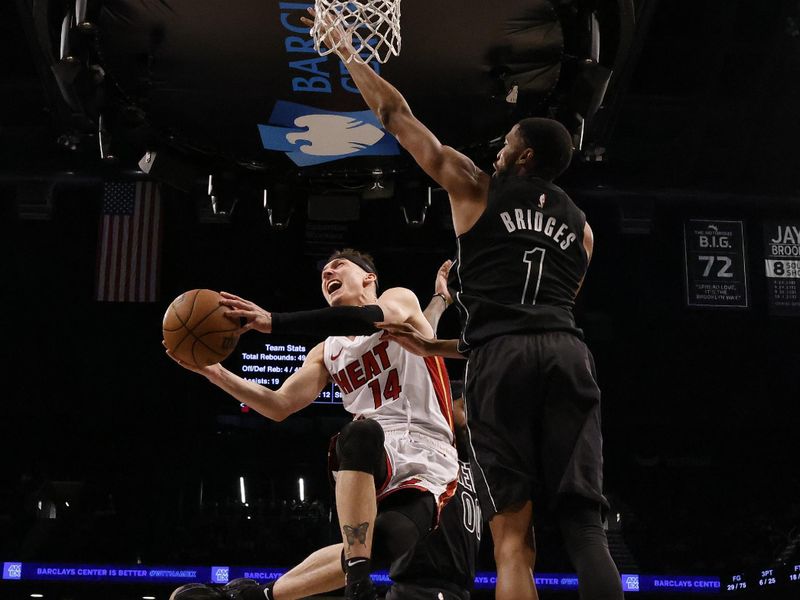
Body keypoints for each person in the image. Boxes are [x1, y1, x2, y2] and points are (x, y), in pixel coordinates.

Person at [304, 9, 624, 600]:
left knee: (511, 534)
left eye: (507, 146)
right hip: (567, 353)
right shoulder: (583, 233)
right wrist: (435, 343)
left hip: (499, 361)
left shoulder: (475, 186)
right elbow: (544, 315)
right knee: (585, 525)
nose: (499, 152)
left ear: (525, 157)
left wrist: (347, 50)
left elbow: (397, 118)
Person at [166, 249, 459, 600]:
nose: (327, 273)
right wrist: (213, 372)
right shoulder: (327, 351)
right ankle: (358, 587)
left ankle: (258, 595)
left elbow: (368, 319)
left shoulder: (399, 299)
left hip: (428, 447)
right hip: (369, 453)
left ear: (369, 278)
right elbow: (279, 405)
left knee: (389, 538)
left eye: (339, 266)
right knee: (360, 433)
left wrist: (273, 321)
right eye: (324, 272)